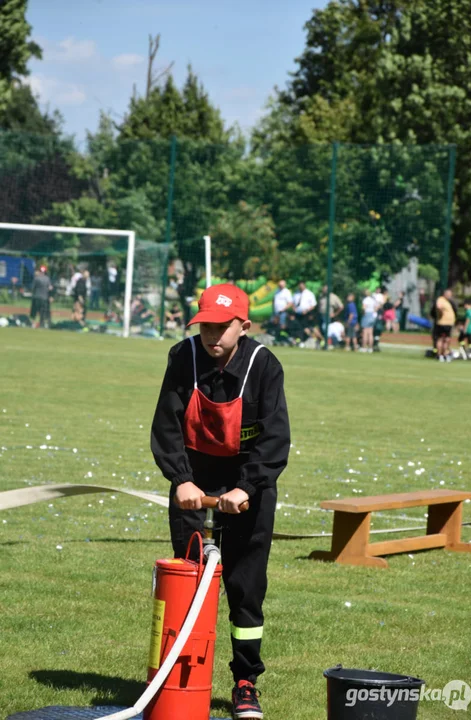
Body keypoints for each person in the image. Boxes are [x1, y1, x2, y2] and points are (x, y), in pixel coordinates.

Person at [151, 283, 290, 720]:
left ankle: (245, 682)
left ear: (243, 327)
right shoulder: (182, 357)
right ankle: (183, 673)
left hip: (248, 489)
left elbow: (275, 438)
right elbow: (167, 425)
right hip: (195, 484)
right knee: (190, 586)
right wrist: (182, 481)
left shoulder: (265, 366)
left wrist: (246, 489)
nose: (212, 336)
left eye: (221, 327)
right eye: (205, 326)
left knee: (245, 590)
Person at [434, 288, 456, 362]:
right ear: (445, 294)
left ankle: (445, 354)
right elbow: (438, 307)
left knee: (447, 339)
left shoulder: (447, 302)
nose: (450, 296)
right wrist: (441, 314)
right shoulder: (441, 299)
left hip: (449, 324)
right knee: (441, 339)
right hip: (443, 323)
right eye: (449, 294)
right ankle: (439, 355)